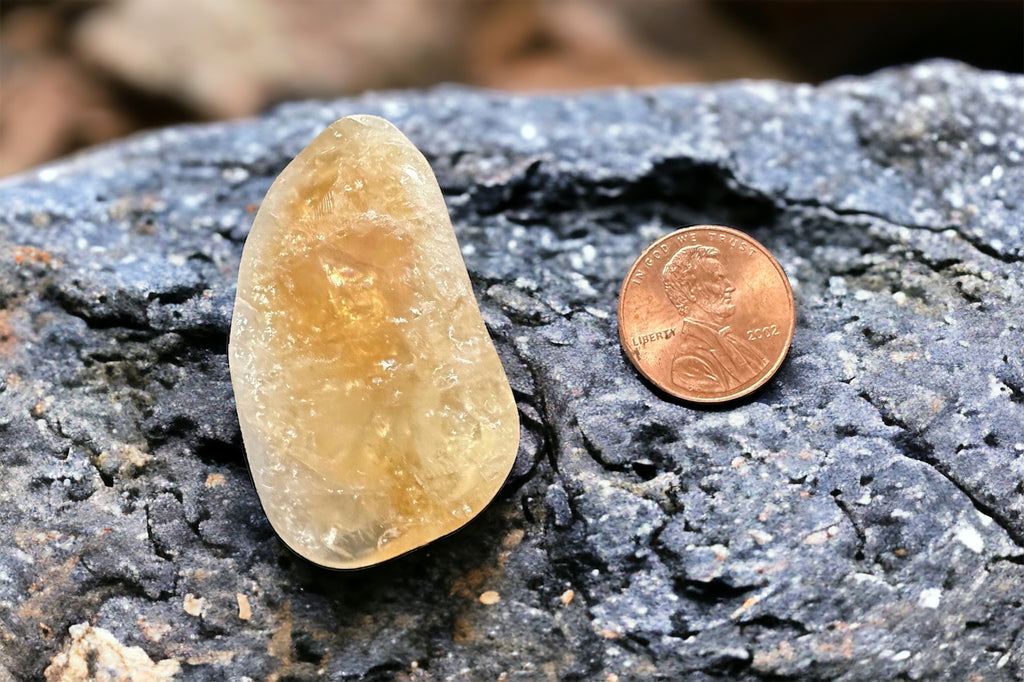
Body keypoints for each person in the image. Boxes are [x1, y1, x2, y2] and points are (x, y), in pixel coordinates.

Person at [662, 245, 768, 394]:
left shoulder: (734, 341)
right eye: (718, 279)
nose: (730, 287)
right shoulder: (689, 362)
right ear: (689, 290)